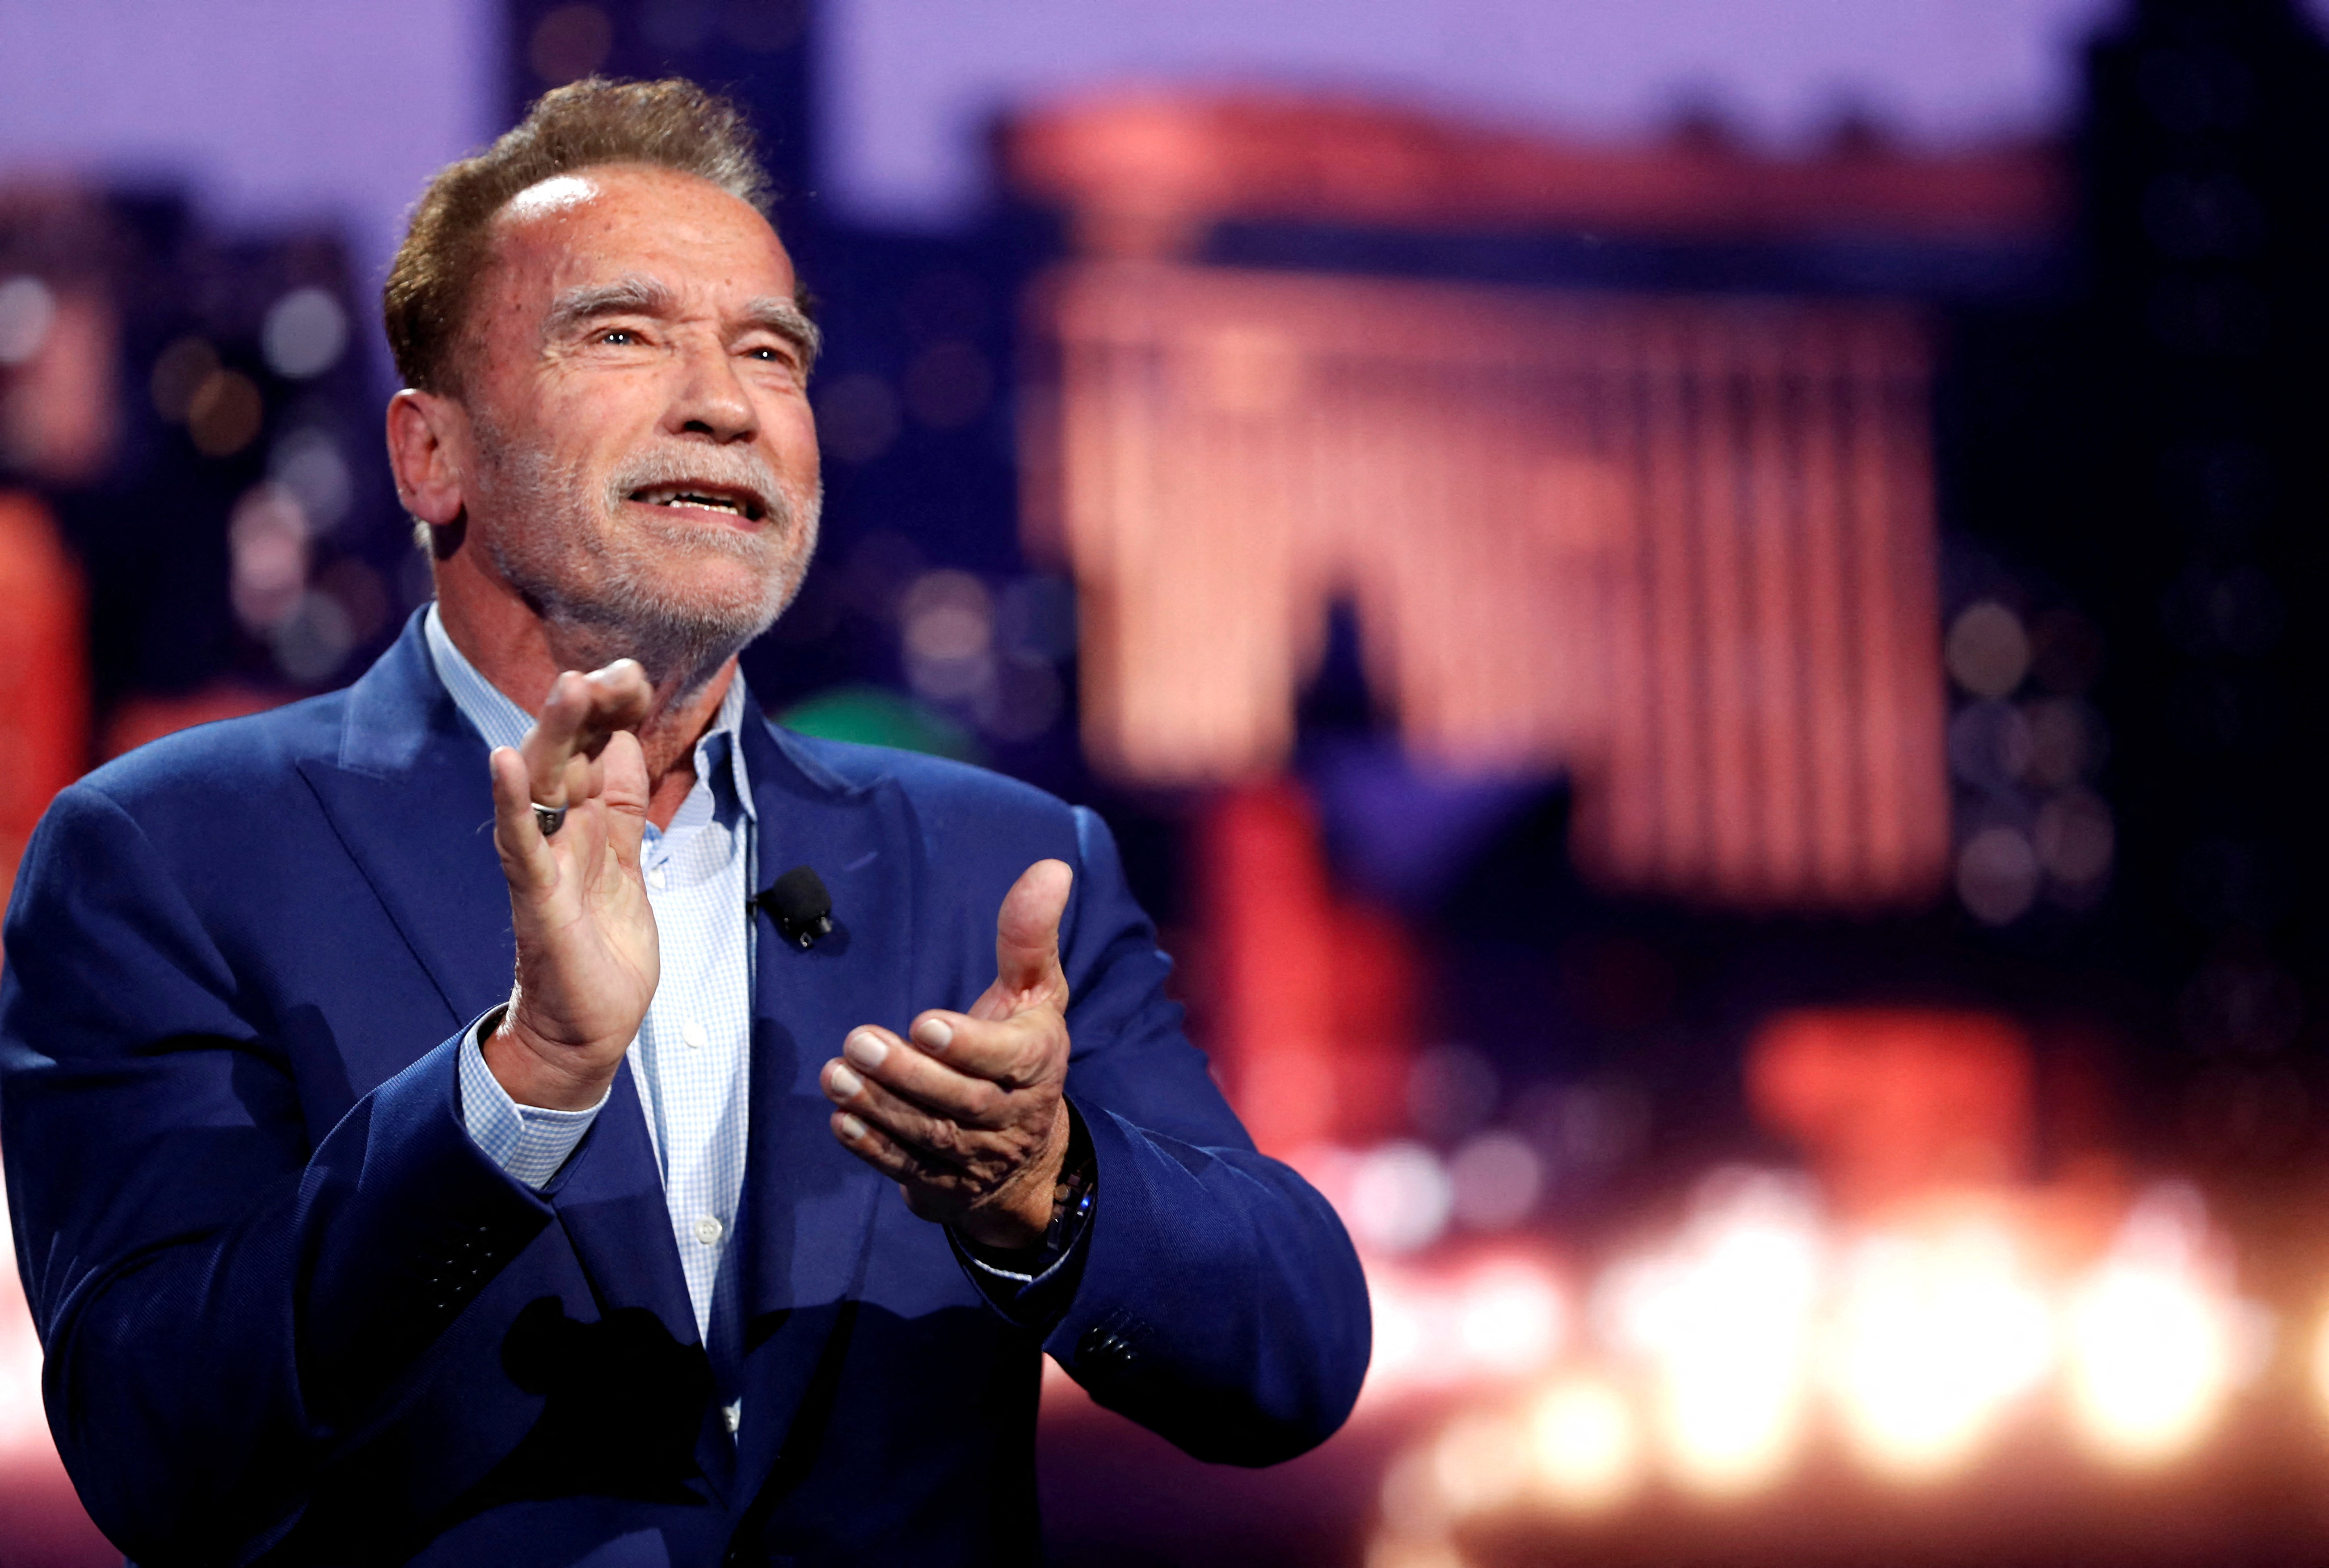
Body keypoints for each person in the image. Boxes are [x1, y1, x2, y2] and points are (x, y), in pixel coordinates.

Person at [0, 78, 1369, 1567]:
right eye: (624, 333)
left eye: (769, 353)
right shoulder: (167, 853)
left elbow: (1288, 1358)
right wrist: (520, 1089)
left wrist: (1052, 1193)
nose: (724, 402)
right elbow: (156, 1445)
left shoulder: (1002, 864)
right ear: (428, 456)